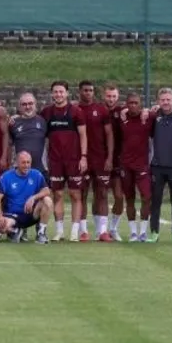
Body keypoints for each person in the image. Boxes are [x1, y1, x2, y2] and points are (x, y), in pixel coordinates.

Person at [40, 81, 88, 242]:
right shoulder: (46, 112)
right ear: (52, 94)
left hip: (74, 160)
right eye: (55, 92)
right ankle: (59, 231)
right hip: (55, 160)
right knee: (58, 194)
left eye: (61, 91)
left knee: (75, 194)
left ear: (67, 93)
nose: (58, 94)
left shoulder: (76, 112)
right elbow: (34, 122)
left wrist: (83, 156)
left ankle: (74, 232)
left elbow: (83, 135)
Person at [76, 80, 116, 242]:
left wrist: (109, 157)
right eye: (85, 90)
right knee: (82, 195)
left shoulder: (101, 110)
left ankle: (102, 231)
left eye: (91, 90)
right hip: (82, 159)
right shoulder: (74, 110)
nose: (88, 93)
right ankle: (83, 231)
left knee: (102, 194)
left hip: (100, 159)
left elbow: (109, 134)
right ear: (79, 91)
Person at [148, 88, 172, 243]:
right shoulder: (154, 116)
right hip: (157, 165)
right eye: (163, 100)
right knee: (155, 200)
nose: (165, 102)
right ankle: (154, 232)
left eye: (168, 99)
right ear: (158, 101)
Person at [117, 93, 153, 242]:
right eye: (130, 103)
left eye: (136, 103)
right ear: (126, 104)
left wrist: (149, 110)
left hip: (142, 164)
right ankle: (133, 232)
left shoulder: (148, 117)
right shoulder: (122, 119)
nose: (133, 105)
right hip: (126, 165)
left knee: (146, 196)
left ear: (140, 104)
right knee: (129, 198)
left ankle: (143, 232)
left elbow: (159, 110)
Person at [0, 151, 52, 244]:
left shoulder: (36, 174)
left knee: (47, 200)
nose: (26, 165)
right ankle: (15, 231)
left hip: (31, 213)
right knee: (1, 227)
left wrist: (33, 198)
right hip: (12, 215)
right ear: (17, 163)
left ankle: (41, 233)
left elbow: (46, 191)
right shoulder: (6, 177)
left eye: (28, 162)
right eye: (23, 162)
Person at [101, 83, 126, 241]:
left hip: (118, 160)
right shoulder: (98, 110)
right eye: (108, 96)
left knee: (119, 196)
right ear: (103, 96)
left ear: (118, 97)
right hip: (99, 158)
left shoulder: (123, 112)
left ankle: (113, 228)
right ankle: (101, 230)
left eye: (114, 96)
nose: (111, 99)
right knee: (101, 195)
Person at [6, 92, 47, 174]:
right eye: (24, 104)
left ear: (35, 105)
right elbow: (8, 145)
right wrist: (9, 165)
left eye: (30, 103)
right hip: (20, 171)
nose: (27, 107)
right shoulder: (13, 123)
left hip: (40, 170)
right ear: (19, 107)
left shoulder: (43, 121)